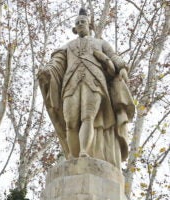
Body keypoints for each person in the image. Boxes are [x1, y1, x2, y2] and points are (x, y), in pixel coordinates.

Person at [38, 8, 134, 168]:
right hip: (70, 84)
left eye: (83, 22)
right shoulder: (68, 46)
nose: (80, 24)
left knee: (88, 117)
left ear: (89, 25)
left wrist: (122, 67)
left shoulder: (100, 43)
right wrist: (47, 71)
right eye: (77, 23)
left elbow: (113, 56)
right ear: (75, 29)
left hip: (95, 82)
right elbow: (57, 61)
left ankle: (84, 152)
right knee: (70, 122)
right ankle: (73, 157)